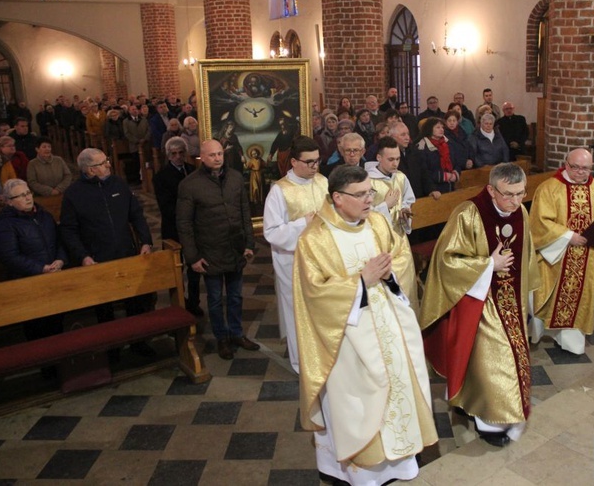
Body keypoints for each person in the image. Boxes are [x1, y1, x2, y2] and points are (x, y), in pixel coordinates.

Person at [293, 165, 437, 485]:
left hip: (386, 317)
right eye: (361, 195)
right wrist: (360, 282)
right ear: (338, 199)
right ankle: (363, 473)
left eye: (370, 192)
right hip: (344, 333)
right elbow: (313, 293)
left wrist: (389, 275)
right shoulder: (314, 239)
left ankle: (400, 462)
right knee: (356, 397)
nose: (370, 200)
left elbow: (398, 256)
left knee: (398, 381)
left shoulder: (376, 223)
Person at [419, 162, 540, 447]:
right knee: (491, 359)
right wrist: (488, 264)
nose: (515, 201)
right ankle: (491, 423)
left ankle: (476, 403)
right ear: (491, 189)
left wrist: (529, 299)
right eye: (508, 194)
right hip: (478, 301)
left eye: (521, 193)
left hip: (512, 301)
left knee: (499, 357)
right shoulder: (468, 214)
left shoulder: (521, 211)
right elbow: (446, 261)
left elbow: (528, 255)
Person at [59, 148, 156, 358]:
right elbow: (68, 230)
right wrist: (83, 256)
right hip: (97, 258)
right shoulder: (74, 194)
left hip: (126, 252)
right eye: (103, 163)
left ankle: (139, 342)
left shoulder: (118, 184)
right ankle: (112, 348)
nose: (109, 165)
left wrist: (146, 241)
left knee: (135, 301)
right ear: (91, 170)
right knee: (105, 308)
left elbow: (136, 215)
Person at [528, 148, 594, 355]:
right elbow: (538, 222)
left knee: (580, 298)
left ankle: (570, 342)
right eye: (575, 167)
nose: (580, 172)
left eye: (585, 168)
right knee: (547, 296)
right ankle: (541, 333)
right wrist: (569, 236)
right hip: (556, 257)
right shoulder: (549, 188)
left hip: (586, 257)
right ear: (566, 164)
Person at [176, 139, 259, 360]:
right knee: (214, 298)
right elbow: (184, 224)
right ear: (202, 157)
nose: (217, 158)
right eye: (212, 155)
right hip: (209, 250)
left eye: (220, 154)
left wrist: (249, 243)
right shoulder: (190, 184)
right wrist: (192, 256)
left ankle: (236, 333)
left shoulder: (234, 177)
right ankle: (222, 337)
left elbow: (244, 213)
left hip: (234, 247)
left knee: (235, 296)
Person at [263, 136, 328, 373]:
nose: (314, 167)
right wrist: (303, 223)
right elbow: (271, 232)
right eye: (309, 162)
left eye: (317, 161)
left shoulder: (322, 181)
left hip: (322, 258)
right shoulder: (280, 191)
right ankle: (301, 363)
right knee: (297, 310)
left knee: (321, 307)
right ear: (293, 162)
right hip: (292, 260)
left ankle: (322, 353)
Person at [0, 178, 66, 341]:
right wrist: (40, 268)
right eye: (20, 196)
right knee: (39, 332)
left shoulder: (44, 215)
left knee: (58, 325)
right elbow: (9, 257)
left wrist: (60, 259)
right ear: (9, 202)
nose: (27, 198)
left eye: (28, 193)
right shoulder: (5, 225)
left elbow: (59, 241)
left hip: (53, 279)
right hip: (28, 284)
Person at [153, 137, 202, 317]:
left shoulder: (192, 171)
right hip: (173, 227)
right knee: (176, 267)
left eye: (181, 153)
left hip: (194, 228)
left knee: (194, 266)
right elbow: (166, 206)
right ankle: (179, 301)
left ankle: (194, 302)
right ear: (168, 155)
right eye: (174, 154)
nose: (178, 157)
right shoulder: (161, 177)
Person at [365, 136, 415, 237]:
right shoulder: (368, 181)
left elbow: (408, 200)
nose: (395, 164)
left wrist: (405, 210)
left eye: (398, 159)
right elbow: (366, 213)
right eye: (391, 159)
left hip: (399, 234)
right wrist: (386, 205)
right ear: (379, 157)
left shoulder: (401, 177)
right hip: (379, 235)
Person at [416, 117, 460, 193]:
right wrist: (443, 176)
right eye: (438, 127)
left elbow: (457, 162)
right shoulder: (422, 147)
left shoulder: (448, 143)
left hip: (450, 186)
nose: (442, 129)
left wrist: (455, 174)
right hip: (434, 190)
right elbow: (424, 171)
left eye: (442, 127)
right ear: (430, 129)